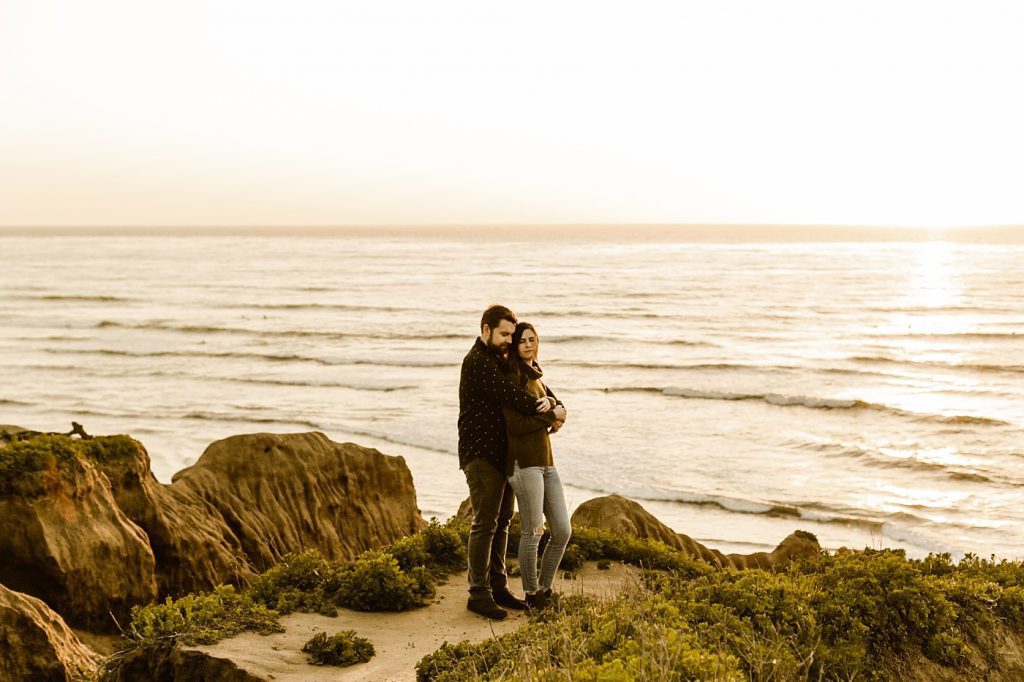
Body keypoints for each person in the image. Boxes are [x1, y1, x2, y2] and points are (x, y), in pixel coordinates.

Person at [458, 305, 566, 620]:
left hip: (504, 456)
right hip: (480, 454)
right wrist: (551, 412)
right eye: (504, 334)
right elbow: (513, 396)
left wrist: (558, 405)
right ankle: (478, 594)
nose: (509, 340)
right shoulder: (477, 362)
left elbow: (536, 385)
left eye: (511, 335)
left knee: (503, 521)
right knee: (485, 523)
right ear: (486, 329)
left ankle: (498, 586)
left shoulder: (500, 360)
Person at [502, 322, 570, 611]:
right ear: (515, 347)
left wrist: (556, 408)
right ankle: (532, 594)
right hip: (523, 464)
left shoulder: (537, 376)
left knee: (563, 531)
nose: (529, 344)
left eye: (533, 339)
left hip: (546, 463)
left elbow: (557, 407)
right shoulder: (513, 377)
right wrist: (550, 415)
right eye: (523, 341)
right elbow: (515, 426)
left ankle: (544, 587)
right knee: (534, 532)